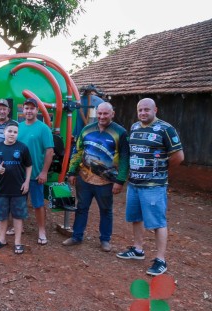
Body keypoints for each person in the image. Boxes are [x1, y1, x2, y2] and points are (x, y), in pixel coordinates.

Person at [116, 98, 184, 276]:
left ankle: (161, 260)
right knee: (135, 217)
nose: (143, 113)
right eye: (140, 110)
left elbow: (179, 156)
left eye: (147, 110)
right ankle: (138, 249)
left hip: (153, 186)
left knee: (157, 222)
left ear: (155, 110)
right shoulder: (135, 127)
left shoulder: (166, 129)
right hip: (135, 183)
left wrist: (160, 168)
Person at [62, 102, 129, 251]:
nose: (102, 116)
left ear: (112, 114)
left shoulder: (120, 132)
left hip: (106, 181)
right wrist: (72, 172)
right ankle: (76, 236)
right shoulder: (86, 130)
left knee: (106, 210)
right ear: (96, 113)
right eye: (99, 113)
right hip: (84, 178)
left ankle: (105, 240)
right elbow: (78, 152)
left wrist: (120, 180)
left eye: (105, 114)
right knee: (81, 208)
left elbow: (125, 158)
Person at [0, 123, 32, 254]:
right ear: (4, 132)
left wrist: (27, 182)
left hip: (18, 189)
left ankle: (18, 242)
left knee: (18, 216)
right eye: (10, 131)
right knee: (2, 216)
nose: (12, 134)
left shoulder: (22, 148)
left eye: (15, 132)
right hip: (1, 188)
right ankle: (2, 240)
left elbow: (29, 166)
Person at [16, 98, 55, 244]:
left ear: (37, 110)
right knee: (19, 202)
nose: (29, 111)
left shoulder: (43, 128)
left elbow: (49, 151)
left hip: (36, 174)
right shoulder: (19, 127)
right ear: (23, 110)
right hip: (19, 174)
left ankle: (42, 230)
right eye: (26, 108)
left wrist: (44, 172)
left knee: (38, 204)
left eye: (32, 108)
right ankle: (19, 227)